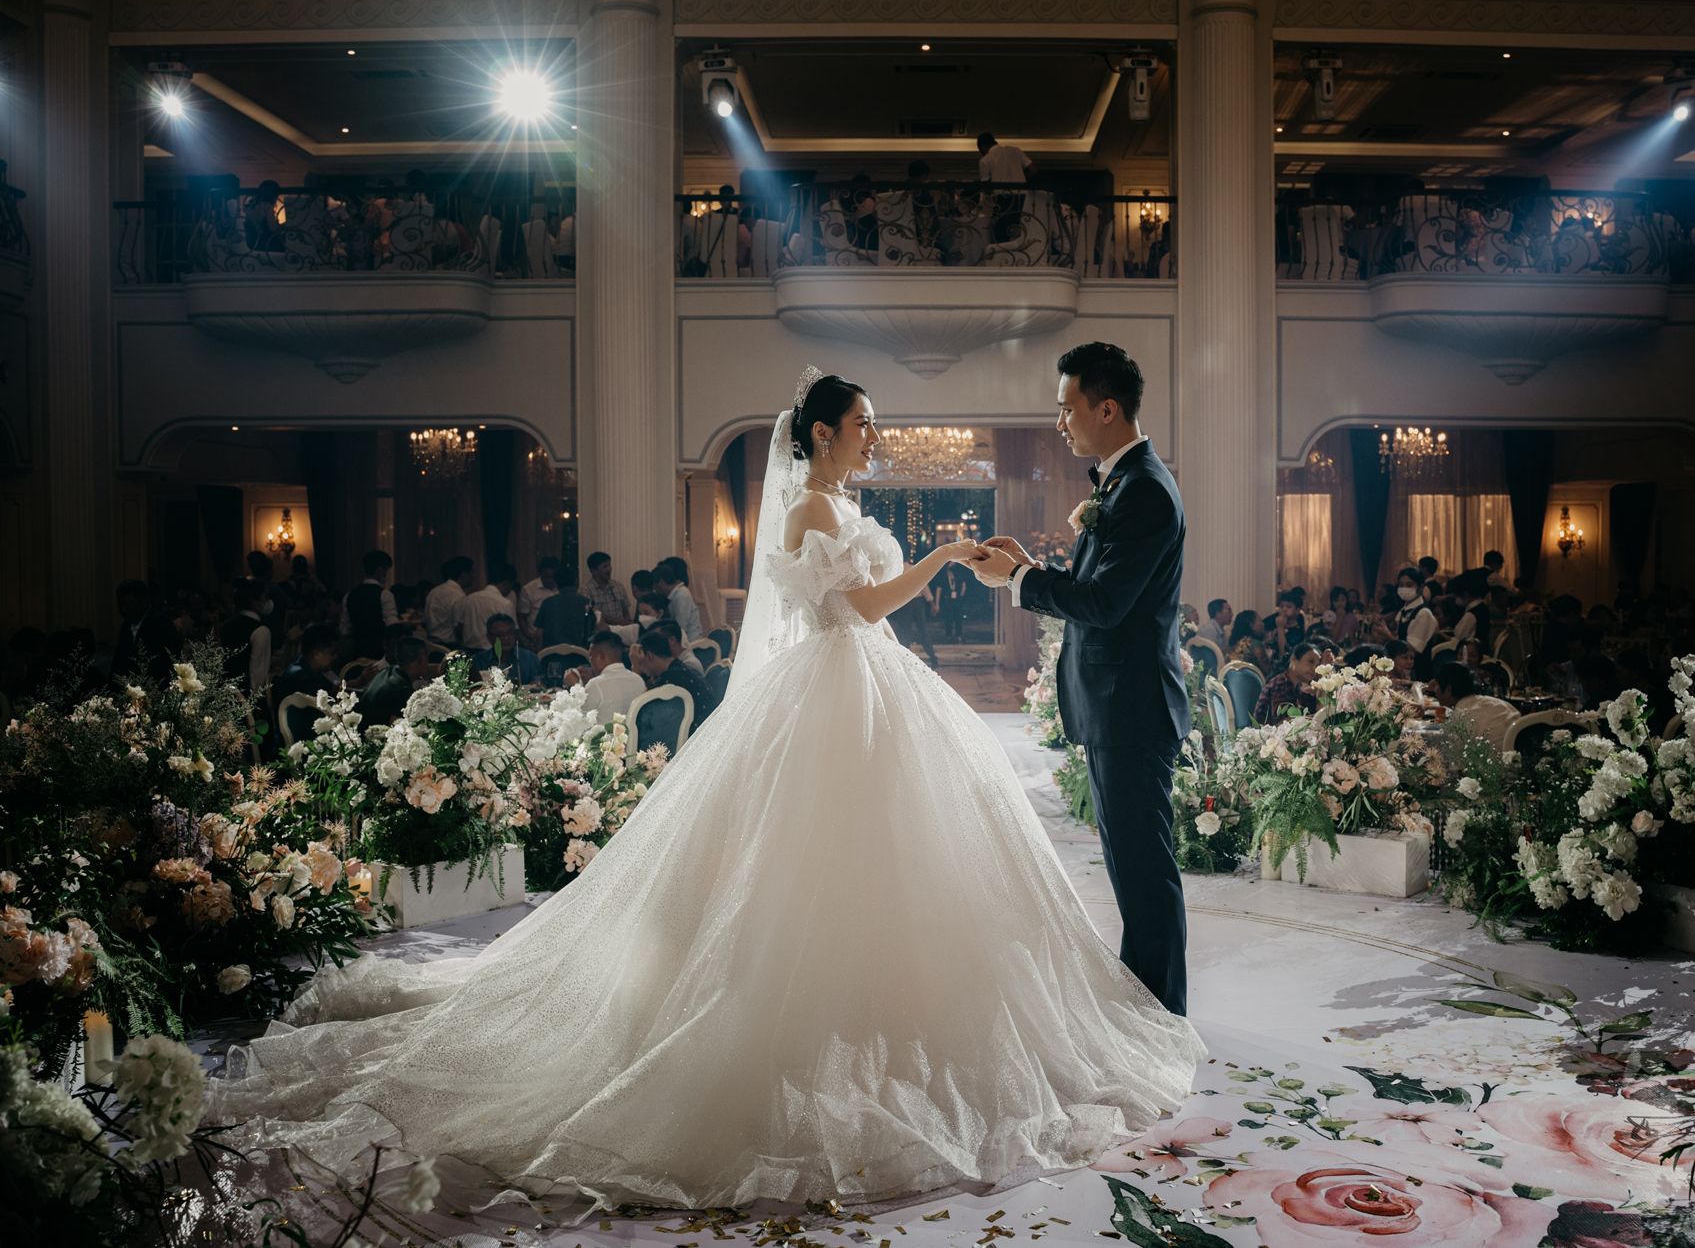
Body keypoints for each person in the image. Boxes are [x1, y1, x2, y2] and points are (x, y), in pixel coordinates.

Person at [208, 363, 1203, 1213]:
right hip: (837, 687)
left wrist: (963, 563)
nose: (873, 438)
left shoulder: (842, 505)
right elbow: (854, 605)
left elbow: (865, 608)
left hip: (875, 686)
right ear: (822, 433)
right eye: (862, 425)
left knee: (906, 863)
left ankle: (882, 1011)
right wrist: (945, 555)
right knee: (822, 865)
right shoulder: (815, 505)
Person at [969, 341, 1194, 1017]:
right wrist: (1030, 563)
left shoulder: (1146, 490)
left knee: (1146, 875)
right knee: (1130, 871)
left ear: (1106, 408)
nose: (1059, 420)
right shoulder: (1122, 483)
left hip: (1133, 709)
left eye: (1067, 408)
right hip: (1114, 707)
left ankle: (1161, 1016)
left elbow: (1103, 605)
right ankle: (1148, 1004)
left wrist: (1016, 579)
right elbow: (1099, 589)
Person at [631, 627, 715, 734]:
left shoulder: (668, 680)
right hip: (709, 730)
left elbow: (640, 712)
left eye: (640, 663)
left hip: (696, 737)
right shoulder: (681, 669)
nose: (641, 669)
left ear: (649, 656)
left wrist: (635, 668)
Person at [1432, 661, 1518, 748]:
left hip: (1497, 759)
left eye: (1436, 685)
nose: (1434, 690)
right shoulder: (1498, 703)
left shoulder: (1460, 718)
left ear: (1448, 690)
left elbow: (1455, 758)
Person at [110, 579, 182, 681]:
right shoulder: (125, 626)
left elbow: (169, 662)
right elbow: (119, 663)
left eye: (128, 604)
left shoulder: (161, 624)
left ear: (142, 601)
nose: (123, 609)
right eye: (120, 604)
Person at [358, 635, 436, 727]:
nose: (428, 663)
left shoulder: (387, 671)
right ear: (421, 658)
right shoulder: (402, 689)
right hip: (371, 738)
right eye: (427, 657)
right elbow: (396, 729)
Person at [577, 629, 648, 725]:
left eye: (591, 656)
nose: (590, 661)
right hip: (632, 739)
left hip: (603, 739)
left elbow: (578, 722)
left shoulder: (595, 685)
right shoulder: (638, 680)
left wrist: (576, 685)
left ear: (601, 657)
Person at [339, 550, 399, 663]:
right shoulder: (385, 594)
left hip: (356, 654)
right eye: (386, 571)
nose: (386, 575)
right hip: (380, 655)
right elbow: (392, 627)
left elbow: (344, 629)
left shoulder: (349, 595)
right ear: (380, 570)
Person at [218, 579, 274, 693]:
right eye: (265, 597)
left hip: (226, 691)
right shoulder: (261, 630)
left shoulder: (226, 625)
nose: (268, 601)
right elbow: (257, 674)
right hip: (246, 696)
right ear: (254, 601)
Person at [1253, 642, 1321, 724]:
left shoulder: (1298, 686)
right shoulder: (1280, 684)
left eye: (1317, 665)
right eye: (1311, 662)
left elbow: (1312, 712)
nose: (1314, 669)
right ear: (1294, 660)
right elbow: (1282, 723)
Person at [533, 564, 593, 650]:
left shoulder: (547, 603)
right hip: (580, 655)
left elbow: (539, 634)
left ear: (556, 582)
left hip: (551, 655)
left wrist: (538, 653)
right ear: (576, 581)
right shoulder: (586, 602)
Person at [458, 565, 517, 652]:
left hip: (469, 651)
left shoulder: (468, 599)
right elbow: (511, 632)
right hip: (494, 653)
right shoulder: (505, 603)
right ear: (506, 584)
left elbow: (459, 628)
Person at [472, 612, 539, 685]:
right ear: (489, 637)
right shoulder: (479, 660)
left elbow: (538, 684)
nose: (506, 638)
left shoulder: (530, 658)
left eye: (510, 633)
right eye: (500, 635)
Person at [653, 555, 705, 644]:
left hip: (691, 643)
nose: (655, 590)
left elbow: (680, 628)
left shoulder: (681, 595)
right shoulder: (674, 595)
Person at [425, 556, 474, 648]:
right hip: (449, 646)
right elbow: (459, 629)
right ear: (464, 574)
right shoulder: (458, 596)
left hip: (431, 644)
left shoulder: (434, 591)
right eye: (471, 572)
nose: (473, 576)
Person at [584, 550, 632, 627]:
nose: (609, 569)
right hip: (601, 634)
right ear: (593, 571)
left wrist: (629, 625)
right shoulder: (586, 590)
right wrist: (619, 622)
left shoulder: (618, 586)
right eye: (605, 566)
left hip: (622, 632)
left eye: (609, 565)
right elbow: (594, 615)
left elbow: (626, 612)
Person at [519, 557, 561, 633]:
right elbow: (522, 617)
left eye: (552, 577)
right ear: (540, 573)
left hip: (557, 636)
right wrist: (529, 636)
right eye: (546, 577)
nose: (549, 581)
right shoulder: (528, 589)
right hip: (535, 635)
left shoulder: (563, 587)